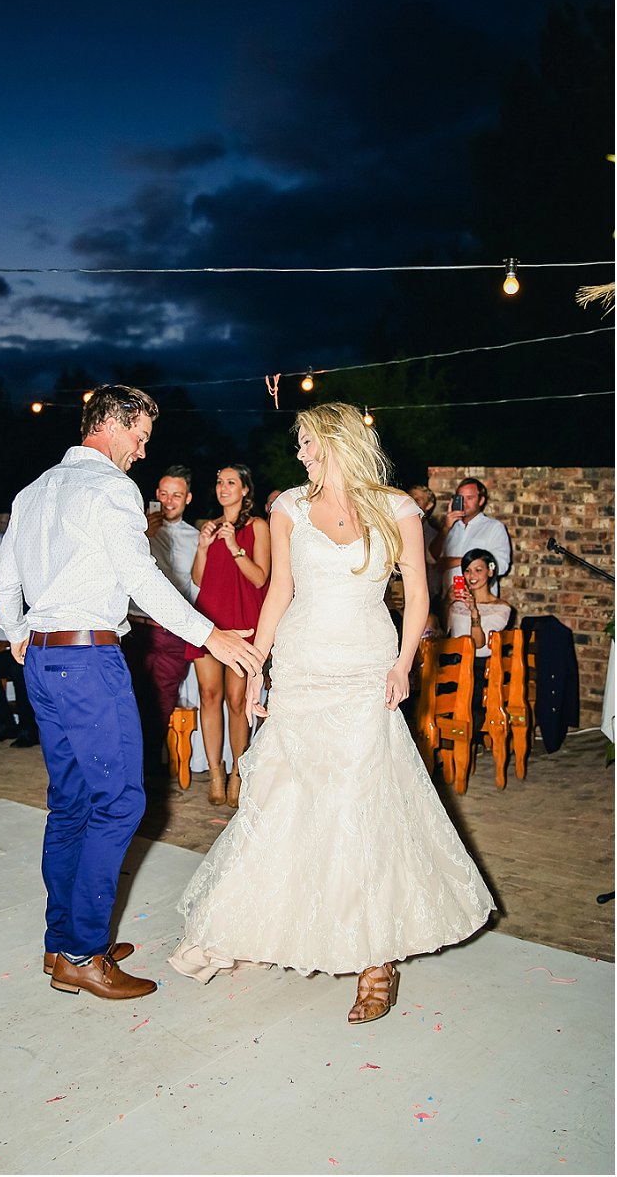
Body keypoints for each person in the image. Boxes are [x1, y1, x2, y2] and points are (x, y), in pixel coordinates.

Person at [169, 402, 494, 1026]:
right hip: (302, 665)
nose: (299, 453)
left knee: (362, 801)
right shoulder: (288, 507)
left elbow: (419, 594)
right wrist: (258, 666)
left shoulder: (397, 508)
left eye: (307, 442)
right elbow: (280, 591)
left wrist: (403, 665)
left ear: (337, 442)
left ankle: (376, 960)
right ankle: (268, 922)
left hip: (367, 666)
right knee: (291, 795)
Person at [0, 385, 264, 1003]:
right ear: (111, 424)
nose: (141, 452)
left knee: (71, 803)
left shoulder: (33, 491)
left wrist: (17, 634)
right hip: (88, 660)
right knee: (119, 804)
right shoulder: (111, 488)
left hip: (45, 660)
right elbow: (141, 577)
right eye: (139, 438)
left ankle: (61, 941)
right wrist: (210, 634)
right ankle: (82, 953)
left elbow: (3, 580)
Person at [184, 465, 270, 808]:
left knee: (237, 700)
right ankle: (216, 772)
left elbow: (260, 578)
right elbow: (198, 580)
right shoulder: (210, 525)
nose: (223, 487)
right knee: (209, 695)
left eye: (231, 482)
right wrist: (203, 547)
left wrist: (234, 545)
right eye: (219, 481)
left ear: (245, 489)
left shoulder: (257, 526)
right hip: (208, 621)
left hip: (242, 620)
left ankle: (238, 771)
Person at [122, 465, 200, 781]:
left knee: (160, 705)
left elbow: (194, 588)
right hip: (135, 628)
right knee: (129, 701)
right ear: (156, 494)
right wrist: (142, 534)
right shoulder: (134, 531)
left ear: (188, 498)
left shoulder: (196, 538)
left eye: (176, 496)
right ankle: (128, 773)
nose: (169, 502)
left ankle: (149, 778)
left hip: (171, 635)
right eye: (164, 494)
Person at [446, 548, 513, 740]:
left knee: (469, 700)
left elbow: (478, 644)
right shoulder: (456, 604)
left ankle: (462, 742)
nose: (472, 576)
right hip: (453, 663)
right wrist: (446, 602)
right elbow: (444, 632)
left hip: (480, 666)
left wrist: (474, 612)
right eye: (467, 571)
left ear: (490, 571)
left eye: (478, 570)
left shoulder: (501, 608)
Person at [430, 477, 511, 593]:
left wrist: (456, 561)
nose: (464, 503)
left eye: (469, 498)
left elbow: (501, 566)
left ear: (481, 500)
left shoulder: (494, 527)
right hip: (449, 599)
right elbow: (432, 558)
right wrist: (446, 528)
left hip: (479, 600)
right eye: (461, 498)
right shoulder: (450, 527)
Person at [0, 642, 39, 748]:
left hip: (42, 651)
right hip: (22, 649)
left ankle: (28, 730)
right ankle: (6, 726)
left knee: (18, 669)